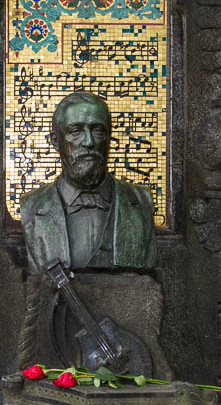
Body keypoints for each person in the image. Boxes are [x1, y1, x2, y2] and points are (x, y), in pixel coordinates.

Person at [20, 92, 156, 273]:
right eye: (75, 131)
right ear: (55, 141)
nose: (89, 142)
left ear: (109, 138)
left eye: (98, 130)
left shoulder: (141, 200)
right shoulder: (32, 206)